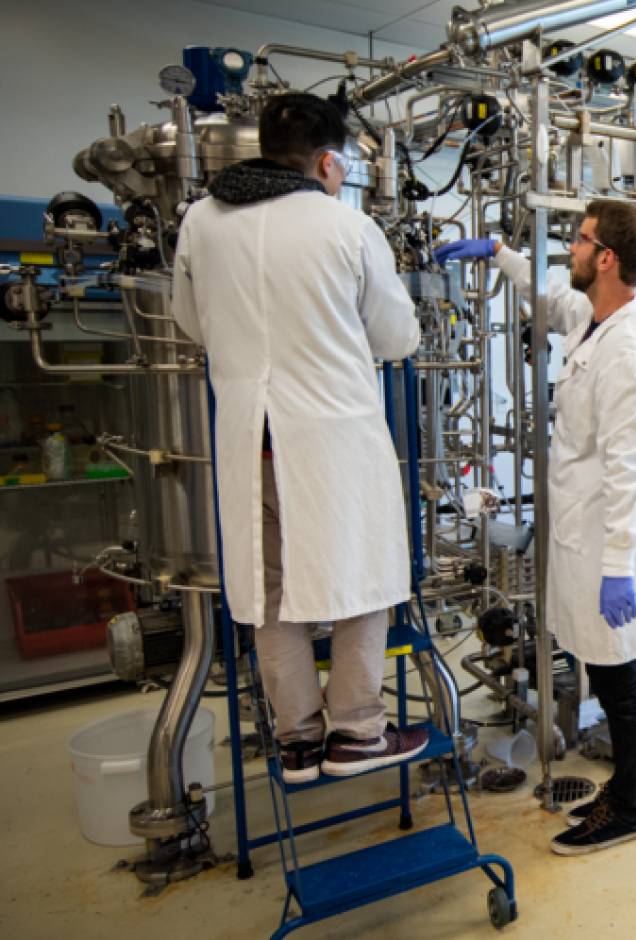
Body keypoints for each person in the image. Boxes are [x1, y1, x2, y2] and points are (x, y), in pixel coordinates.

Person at [172, 93, 426, 784]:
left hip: (248, 441)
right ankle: (359, 733)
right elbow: (398, 336)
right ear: (324, 160)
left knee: (269, 588)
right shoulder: (344, 226)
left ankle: (297, 742)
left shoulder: (200, 220)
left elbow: (189, 321)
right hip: (331, 441)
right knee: (366, 577)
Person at [436, 201, 636, 855]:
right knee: (606, 669)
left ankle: (633, 804)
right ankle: (626, 789)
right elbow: (549, 301)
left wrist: (619, 564)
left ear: (607, 259)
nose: (569, 247)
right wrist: (498, 254)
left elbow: (633, 471)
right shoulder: (595, 322)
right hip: (581, 532)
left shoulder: (629, 350)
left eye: (580, 238)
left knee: (620, 679)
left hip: (606, 541)